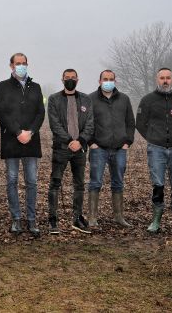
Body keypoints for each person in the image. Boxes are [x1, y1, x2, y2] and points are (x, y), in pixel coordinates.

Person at [136, 68, 172, 235]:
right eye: (162, 78)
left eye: (168, 78)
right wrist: (152, 138)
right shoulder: (148, 100)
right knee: (158, 185)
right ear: (157, 79)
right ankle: (155, 221)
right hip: (156, 149)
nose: (165, 81)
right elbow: (140, 123)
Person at [0, 53, 45, 236]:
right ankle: (16, 218)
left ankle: (31, 220)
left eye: (24, 63)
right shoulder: (1, 87)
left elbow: (40, 112)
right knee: (12, 181)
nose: (21, 66)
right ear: (11, 66)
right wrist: (17, 132)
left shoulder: (36, 87)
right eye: (18, 63)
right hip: (11, 140)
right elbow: (0, 112)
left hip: (31, 140)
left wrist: (30, 132)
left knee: (32, 182)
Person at [47, 68, 94, 235]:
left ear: (78, 79)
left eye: (73, 77)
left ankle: (77, 217)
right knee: (55, 184)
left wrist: (80, 141)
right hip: (61, 148)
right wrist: (69, 141)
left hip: (80, 149)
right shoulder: (54, 99)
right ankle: (52, 219)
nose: (70, 80)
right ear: (62, 79)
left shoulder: (86, 99)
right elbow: (54, 124)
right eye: (67, 78)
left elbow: (90, 123)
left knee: (79, 184)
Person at [88, 70, 135, 228]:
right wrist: (91, 142)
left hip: (119, 148)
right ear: (99, 81)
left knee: (118, 183)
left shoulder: (124, 99)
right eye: (105, 79)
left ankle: (118, 216)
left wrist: (127, 141)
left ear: (115, 81)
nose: (108, 81)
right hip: (98, 148)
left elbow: (130, 122)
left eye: (111, 79)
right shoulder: (90, 99)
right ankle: (92, 218)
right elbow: (86, 123)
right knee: (95, 182)